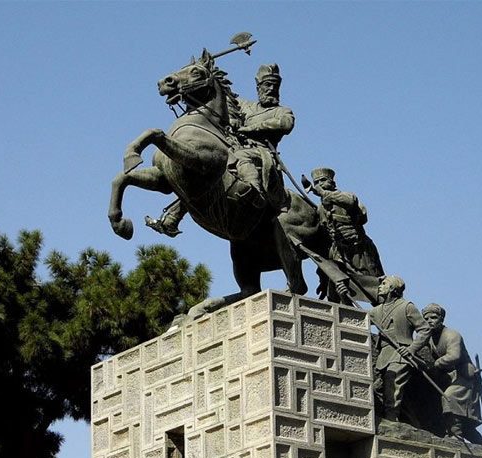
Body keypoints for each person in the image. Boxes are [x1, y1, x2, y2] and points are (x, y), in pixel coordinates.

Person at [147, 64, 295, 236]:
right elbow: (223, 105)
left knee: (240, 156)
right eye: (267, 85)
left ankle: (256, 193)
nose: (271, 89)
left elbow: (286, 123)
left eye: (274, 86)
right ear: (258, 87)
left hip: (261, 152)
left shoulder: (281, 111)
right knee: (207, 165)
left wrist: (251, 128)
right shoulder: (245, 106)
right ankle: (174, 216)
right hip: (235, 145)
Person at [303, 167, 384, 300]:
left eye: (323, 180)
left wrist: (324, 193)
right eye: (316, 183)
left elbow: (351, 204)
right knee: (337, 288)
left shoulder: (346, 196)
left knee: (376, 288)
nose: (319, 185)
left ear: (331, 181)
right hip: (339, 252)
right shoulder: (320, 209)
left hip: (359, 249)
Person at [421, 303, 482, 448]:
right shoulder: (429, 337)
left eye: (433, 317)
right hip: (449, 375)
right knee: (466, 425)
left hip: (465, 376)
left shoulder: (452, 335)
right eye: (426, 318)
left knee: (449, 396)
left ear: (441, 319)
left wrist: (435, 364)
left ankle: (456, 435)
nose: (430, 321)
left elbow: (454, 356)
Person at [370, 276, 431, 423]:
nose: (379, 287)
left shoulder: (406, 306)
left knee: (392, 384)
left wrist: (411, 349)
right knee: (378, 387)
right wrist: (342, 294)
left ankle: (391, 420)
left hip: (401, 353)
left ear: (392, 288)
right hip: (384, 355)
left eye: (383, 284)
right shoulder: (377, 311)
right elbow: (356, 318)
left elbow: (425, 329)